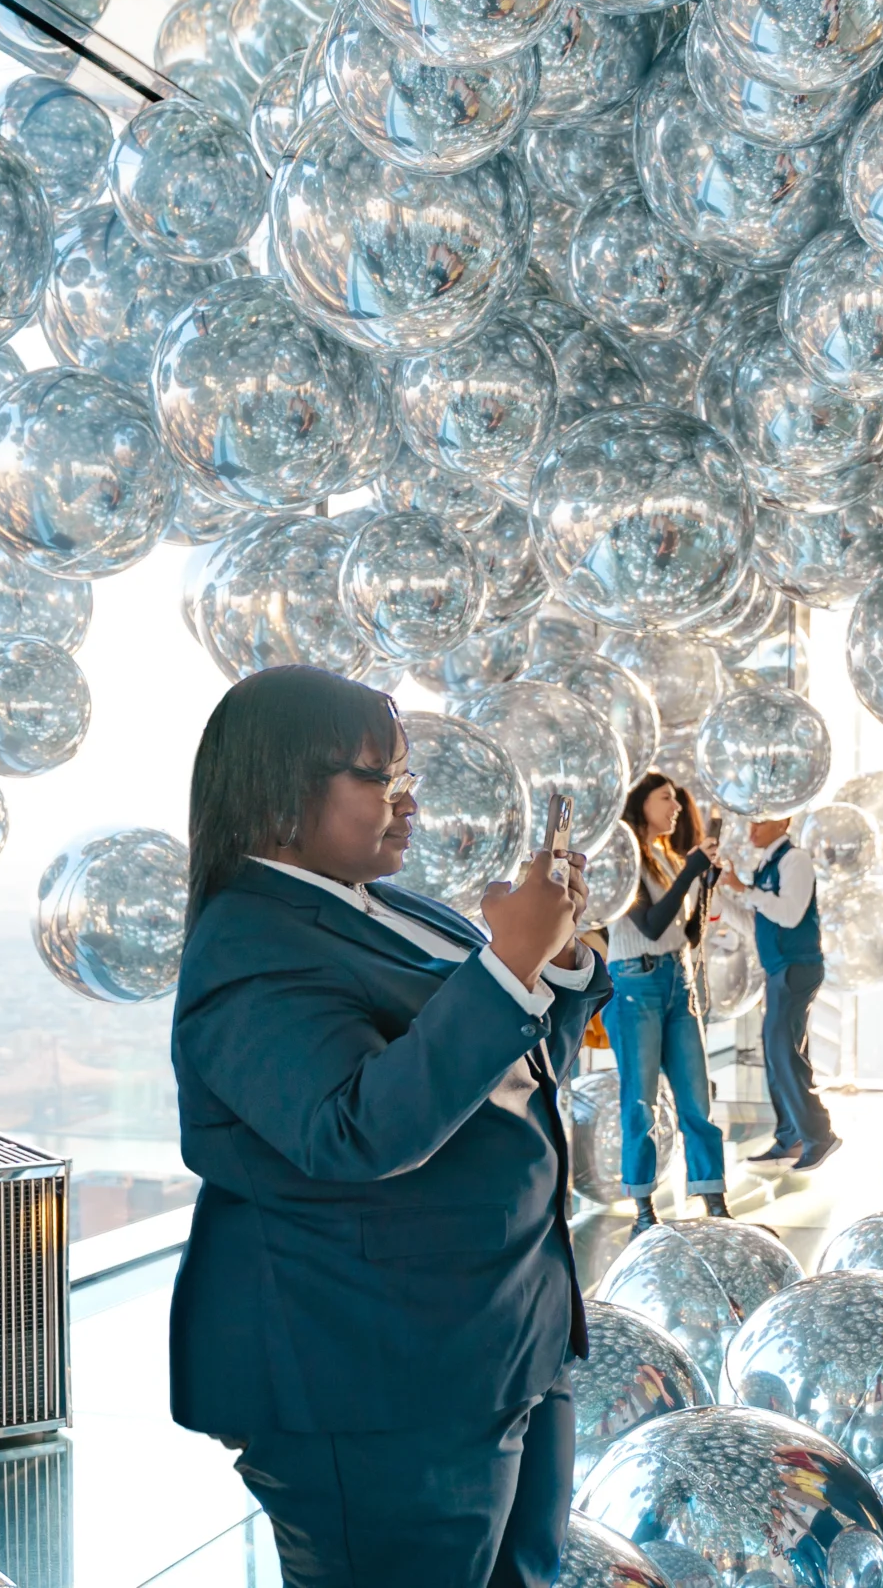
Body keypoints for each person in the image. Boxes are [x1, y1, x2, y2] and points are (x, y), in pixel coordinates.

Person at [168, 666, 608, 1588]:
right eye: (380, 777)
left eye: (407, 776)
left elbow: (508, 1075)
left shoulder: (388, 901)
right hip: (373, 1373)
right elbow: (351, 1128)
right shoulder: (249, 935)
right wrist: (511, 958)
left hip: (495, 1337)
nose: (407, 801)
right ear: (280, 784)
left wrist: (555, 965)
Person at [608, 773, 731, 1232]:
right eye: (666, 798)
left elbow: (688, 933)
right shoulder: (625, 860)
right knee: (640, 1104)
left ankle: (713, 1201)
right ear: (640, 803)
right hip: (635, 982)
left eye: (677, 800)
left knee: (697, 1099)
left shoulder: (666, 855)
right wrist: (690, 872)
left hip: (678, 980)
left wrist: (707, 882)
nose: (677, 807)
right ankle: (643, 1211)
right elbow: (652, 925)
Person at [719, 814, 840, 1172]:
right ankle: (792, 1137)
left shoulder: (795, 860)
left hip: (796, 967)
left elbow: (788, 915)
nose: (751, 829)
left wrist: (743, 890)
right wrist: (724, 901)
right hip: (779, 968)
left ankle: (820, 1135)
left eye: (760, 821)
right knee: (775, 1053)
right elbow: (758, 924)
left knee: (783, 1051)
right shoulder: (766, 866)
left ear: (784, 822)